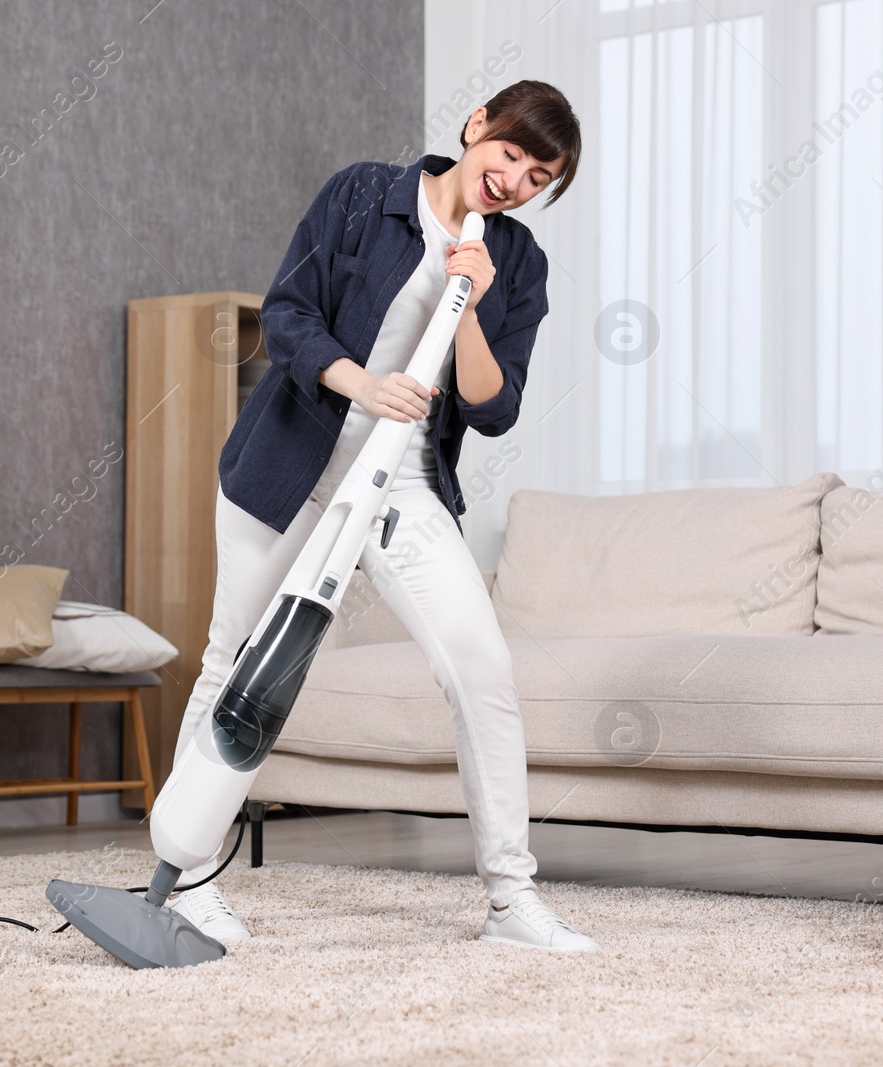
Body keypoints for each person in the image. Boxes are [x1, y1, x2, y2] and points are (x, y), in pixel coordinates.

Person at [165, 80, 595, 952]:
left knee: (481, 667)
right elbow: (286, 315)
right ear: (477, 127)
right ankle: (189, 883)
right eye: (510, 152)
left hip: (401, 488)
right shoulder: (364, 194)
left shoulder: (518, 263)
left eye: (537, 174)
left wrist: (467, 296)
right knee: (232, 659)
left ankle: (511, 900)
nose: (515, 178)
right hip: (290, 466)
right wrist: (360, 382)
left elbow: (493, 406)